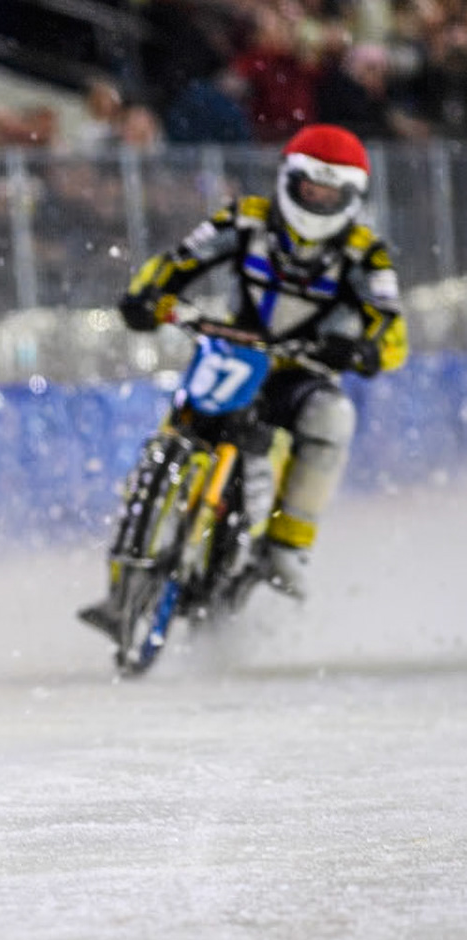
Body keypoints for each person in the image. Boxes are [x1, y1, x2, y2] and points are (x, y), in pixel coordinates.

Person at [92, 123, 405, 615]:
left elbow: (389, 326)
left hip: (302, 371)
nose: (318, 199)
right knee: (176, 430)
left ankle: (287, 545)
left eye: (330, 192)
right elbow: (178, 261)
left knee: (333, 416)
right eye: (310, 188)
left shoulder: (366, 253)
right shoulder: (244, 220)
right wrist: (145, 298)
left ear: (351, 196)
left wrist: (364, 352)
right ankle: (134, 550)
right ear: (288, 180)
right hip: (230, 353)